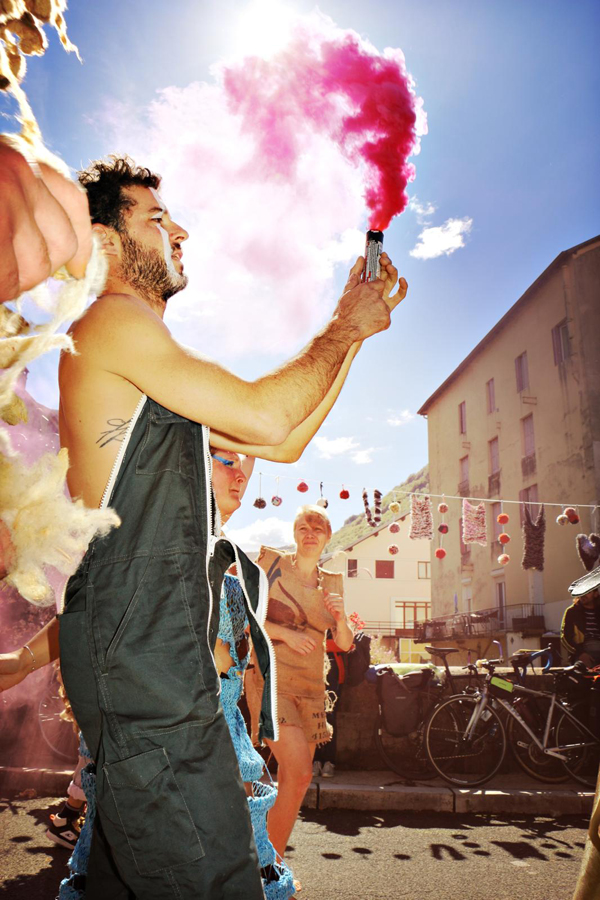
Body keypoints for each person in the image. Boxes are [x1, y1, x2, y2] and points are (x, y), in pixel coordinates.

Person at [54, 155, 403, 899]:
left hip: (150, 657)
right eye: (156, 218)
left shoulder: (147, 362)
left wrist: (356, 332)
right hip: (146, 663)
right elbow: (268, 416)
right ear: (106, 240)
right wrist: (343, 325)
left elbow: (284, 441)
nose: (180, 230)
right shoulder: (113, 321)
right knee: (215, 882)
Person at [211, 448, 295, 899]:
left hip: (225, 735)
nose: (240, 474)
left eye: (241, 465)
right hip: (190, 744)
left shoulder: (229, 574)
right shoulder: (173, 559)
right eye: (225, 461)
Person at [246, 505, 353, 858]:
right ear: (294, 533)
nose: (310, 533)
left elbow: (345, 642)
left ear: (328, 536)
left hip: (311, 689)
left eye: (318, 528)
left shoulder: (332, 583)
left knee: (298, 781)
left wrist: (340, 619)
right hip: (270, 679)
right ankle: (268, 867)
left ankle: (267, 862)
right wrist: (286, 635)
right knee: (299, 770)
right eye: (304, 527)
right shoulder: (271, 565)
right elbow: (245, 617)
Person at [562, 566, 600, 667]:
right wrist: (580, 654)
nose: (583, 595)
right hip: (583, 652)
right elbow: (565, 638)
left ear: (596, 594)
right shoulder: (572, 612)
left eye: (588, 592)